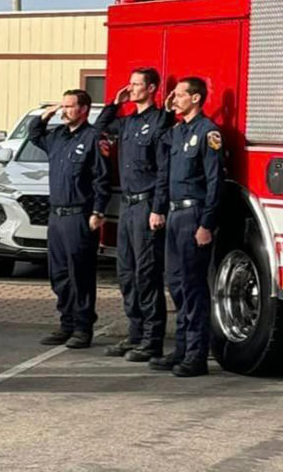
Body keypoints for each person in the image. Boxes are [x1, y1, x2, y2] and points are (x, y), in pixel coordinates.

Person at [92, 68, 173, 362]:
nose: (132, 88)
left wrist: (158, 208)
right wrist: (115, 103)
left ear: (151, 88)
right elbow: (98, 129)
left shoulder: (160, 121)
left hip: (146, 205)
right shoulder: (127, 122)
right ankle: (135, 333)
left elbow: (164, 169)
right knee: (126, 274)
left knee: (147, 274)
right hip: (127, 206)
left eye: (137, 84)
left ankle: (152, 340)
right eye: (131, 83)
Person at [152, 76, 224, 378]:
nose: (175, 98)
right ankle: (181, 348)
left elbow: (214, 181)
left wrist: (206, 223)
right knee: (177, 285)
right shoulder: (177, 132)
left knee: (194, 288)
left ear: (196, 98)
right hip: (174, 215)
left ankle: (196, 355)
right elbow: (159, 151)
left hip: (194, 216)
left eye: (180, 94)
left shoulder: (208, 133)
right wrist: (168, 111)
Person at [29, 90, 110, 349]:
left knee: (80, 274)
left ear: (84, 109)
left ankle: (83, 327)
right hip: (56, 216)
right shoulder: (58, 137)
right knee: (59, 274)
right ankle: (67, 323)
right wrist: (45, 115)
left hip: (79, 216)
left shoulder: (93, 138)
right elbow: (34, 135)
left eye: (70, 106)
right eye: (63, 106)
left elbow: (101, 179)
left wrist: (98, 212)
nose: (65, 111)